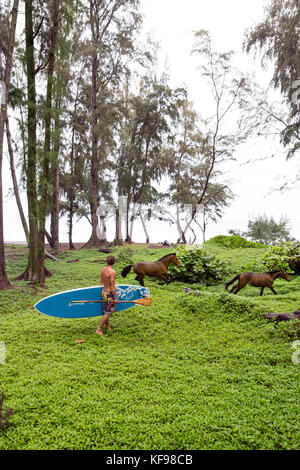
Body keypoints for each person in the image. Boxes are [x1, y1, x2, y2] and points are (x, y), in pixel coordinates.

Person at [96, 255, 119, 336]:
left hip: (103, 292)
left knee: (106, 311)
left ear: (107, 261)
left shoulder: (103, 270)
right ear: (114, 262)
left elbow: (101, 282)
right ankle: (99, 329)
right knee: (109, 312)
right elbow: (113, 286)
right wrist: (116, 298)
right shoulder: (112, 272)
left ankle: (107, 326)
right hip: (109, 294)